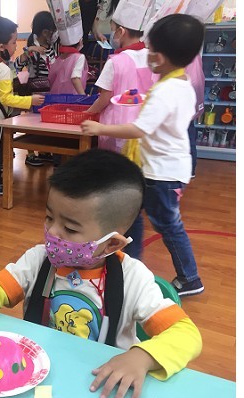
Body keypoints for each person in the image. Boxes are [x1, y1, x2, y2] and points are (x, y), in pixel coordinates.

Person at [0, 149, 202, 398]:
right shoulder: (38, 260)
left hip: (98, 387)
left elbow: (186, 335)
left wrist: (142, 357)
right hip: (35, 380)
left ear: (111, 244)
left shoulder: (134, 279)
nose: (53, 232)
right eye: (49, 217)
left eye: (69, 228)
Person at [81, 13, 205, 297]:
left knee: (168, 225)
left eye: (149, 50)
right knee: (132, 214)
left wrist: (100, 127)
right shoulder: (181, 83)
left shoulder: (165, 91)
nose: (145, 54)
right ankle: (129, 264)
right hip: (158, 168)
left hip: (161, 173)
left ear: (158, 58)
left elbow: (138, 129)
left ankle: (190, 277)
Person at [0, 16, 45, 196]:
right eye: (14, 42)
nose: (16, 46)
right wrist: (30, 101)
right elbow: (7, 98)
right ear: (1, 46)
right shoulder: (3, 69)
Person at [85, 0, 157, 154]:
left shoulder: (115, 61)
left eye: (113, 30)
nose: (112, 34)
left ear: (121, 32)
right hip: (144, 128)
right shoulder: (153, 57)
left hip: (117, 130)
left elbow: (104, 98)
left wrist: (87, 113)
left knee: (115, 167)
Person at [13, 11, 57, 167]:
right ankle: (30, 153)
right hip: (35, 91)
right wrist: (28, 51)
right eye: (52, 31)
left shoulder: (51, 47)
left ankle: (43, 151)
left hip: (49, 90)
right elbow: (16, 66)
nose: (54, 34)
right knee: (32, 122)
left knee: (45, 122)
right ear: (45, 32)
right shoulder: (32, 48)